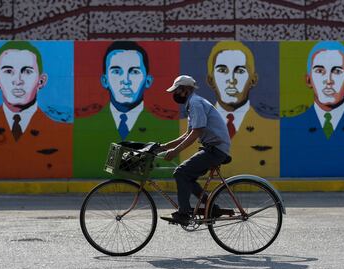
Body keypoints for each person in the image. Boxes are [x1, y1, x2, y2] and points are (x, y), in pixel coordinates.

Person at [73, 41, 178, 178]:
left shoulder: (169, 122)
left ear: (148, 80)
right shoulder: (82, 124)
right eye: (116, 71)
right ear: (105, 80)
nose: (126, 80)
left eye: (134, 71)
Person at [0, 41, 72, 178]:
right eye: (8, 71)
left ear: (41, 81)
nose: (17, 80)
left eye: (27, 71)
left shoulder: (65, 131)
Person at [281, 41, 344, 177]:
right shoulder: (287, 126)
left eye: (337, 71)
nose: (328, 80)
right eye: (319, 71)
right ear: (308, 80)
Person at [180, 41, 280, 177]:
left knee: (182, 174)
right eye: (222, 70)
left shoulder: (273, 127)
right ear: (210, 80)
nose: (231, 80)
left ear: (253, 79)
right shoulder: (185, 126)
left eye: (239, 71)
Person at [159, 75, 231, 226]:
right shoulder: (192, 103)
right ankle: (212, 207)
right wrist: (164, 147)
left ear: (187, 90)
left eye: (177, 91)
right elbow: (188, 134)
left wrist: (175, 151)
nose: (175, 94)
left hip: (215, 149)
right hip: (213, 148)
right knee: (187, 177)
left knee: (181, 172)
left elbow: (197, 132)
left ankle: (183, 214)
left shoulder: (196, 103)